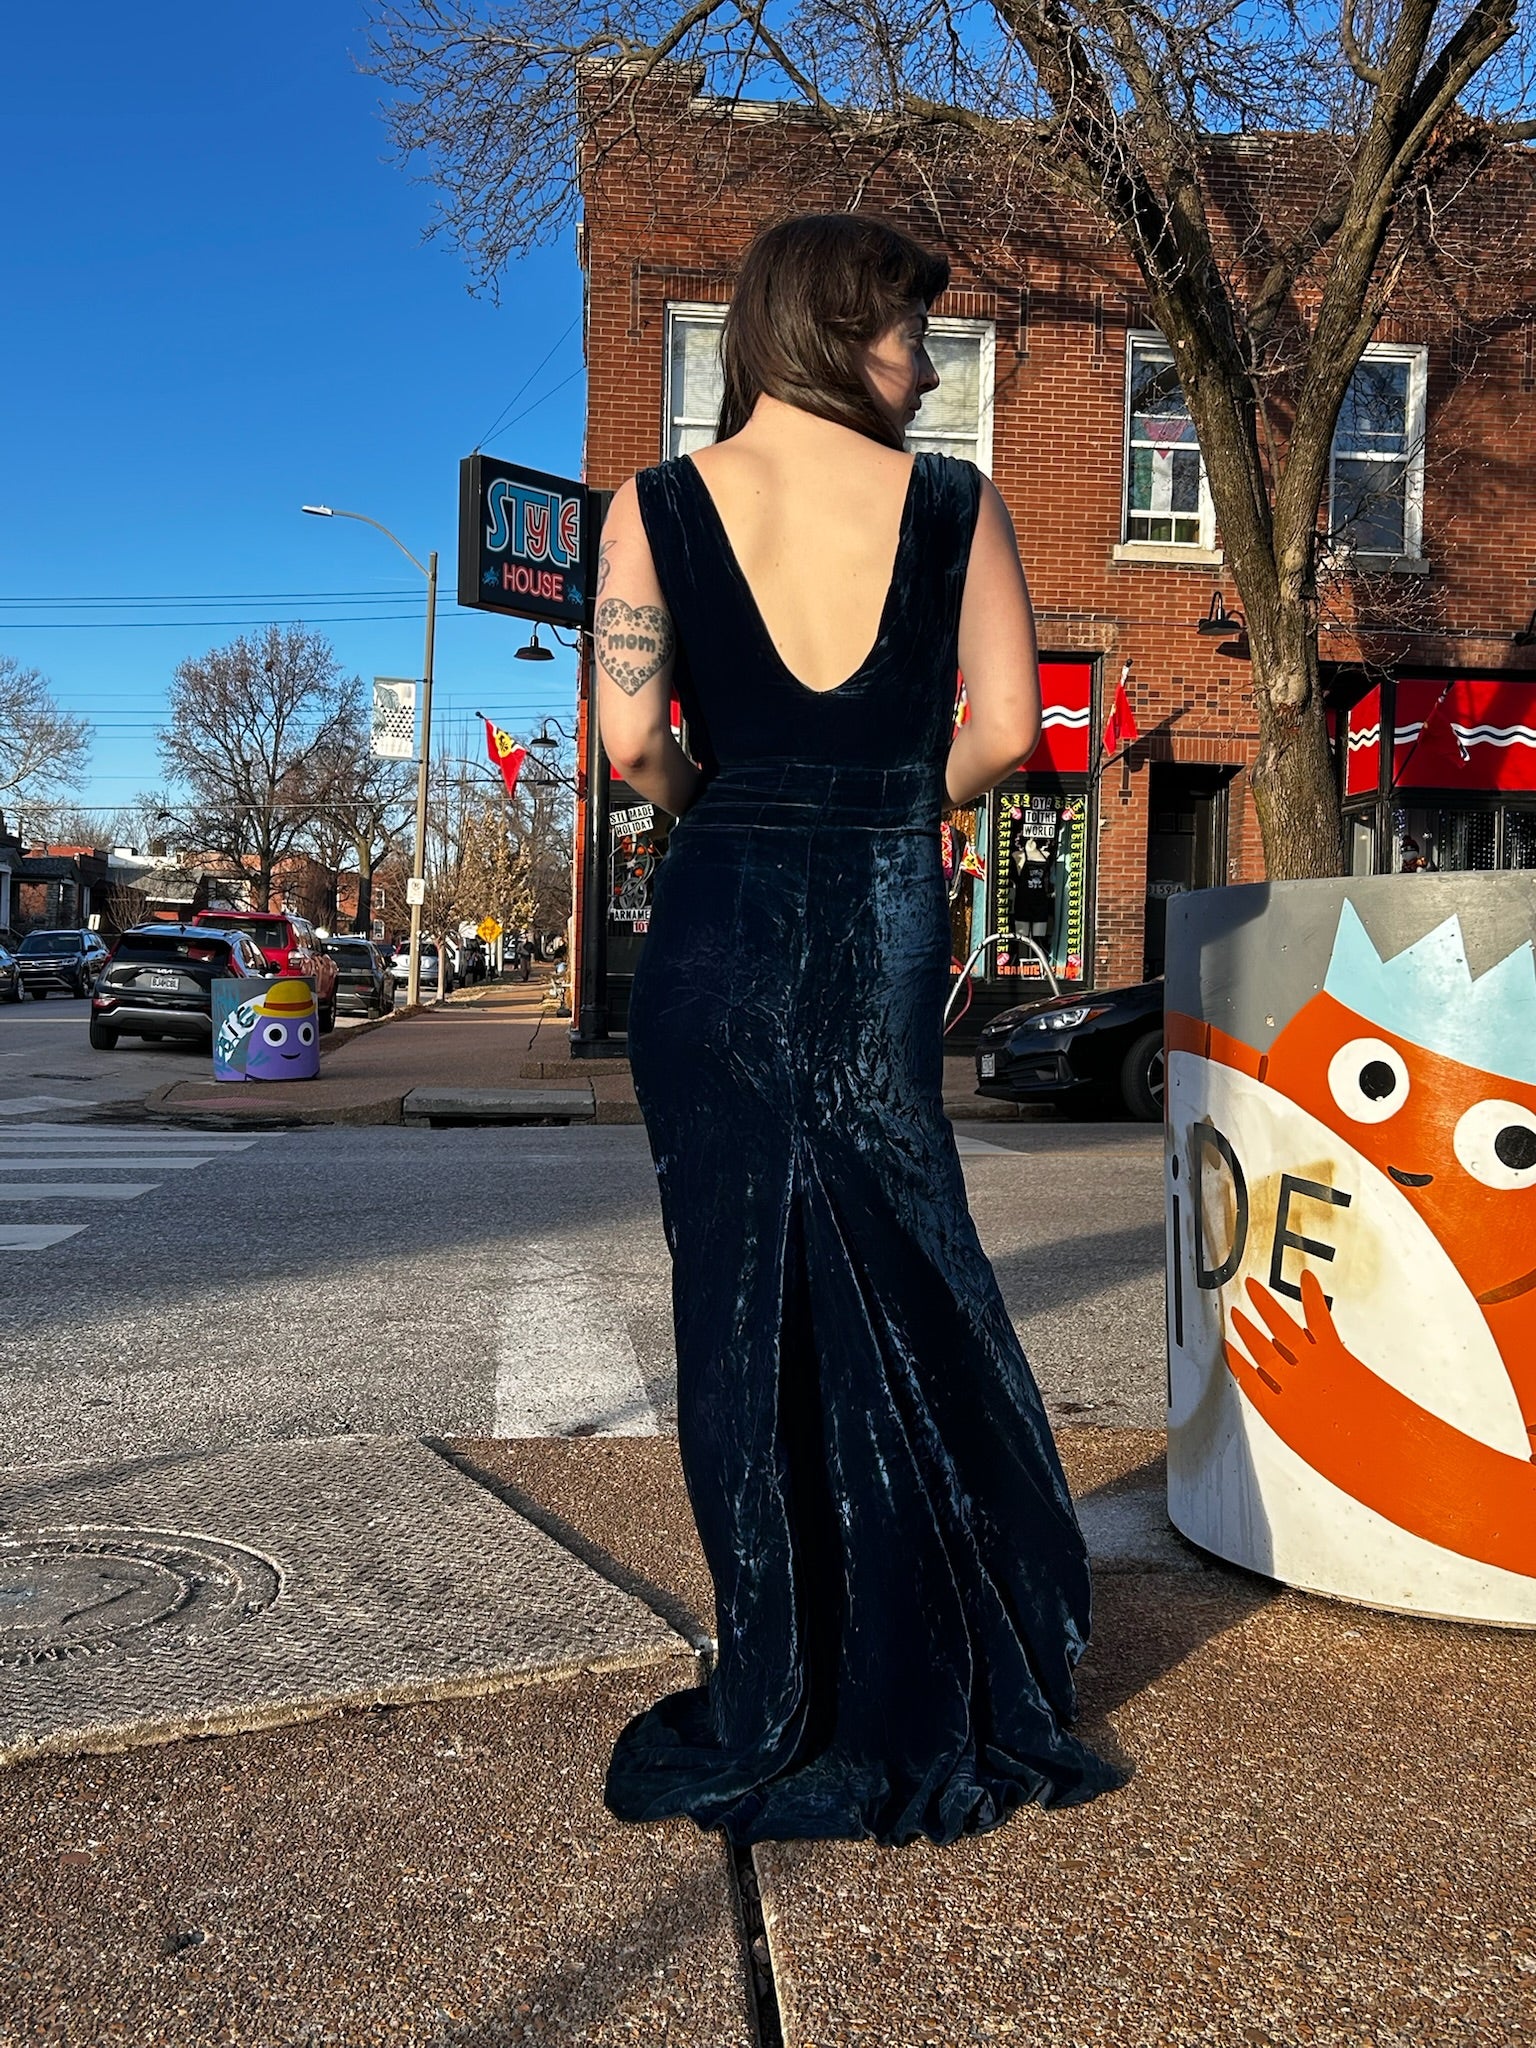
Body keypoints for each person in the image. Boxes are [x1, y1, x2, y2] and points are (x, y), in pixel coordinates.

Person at [595, 213, 1123, 1848]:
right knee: (912, 1254)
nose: (920, 359)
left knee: (740, 1294)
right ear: (833, 328)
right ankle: (951, 1638)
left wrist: (721, 802)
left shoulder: (657, 506)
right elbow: (1017, 733)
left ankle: (780, 1674)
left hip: (723, 913)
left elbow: (627, 744)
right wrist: (899, 800)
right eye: (904, 329)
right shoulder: (955, 502)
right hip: (882, 899)